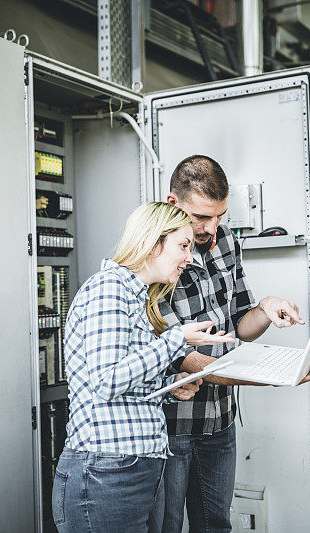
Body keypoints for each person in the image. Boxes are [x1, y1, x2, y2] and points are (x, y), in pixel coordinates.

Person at [159, 155, 310, 533]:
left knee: (216, 524)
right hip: (170, 424)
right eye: (201, 217)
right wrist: (279, 376)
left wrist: (266, 309)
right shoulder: (154, 251)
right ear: (173, 204)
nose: (211, 228)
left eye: (220, 215)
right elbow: (183, 358)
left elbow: (238, 327)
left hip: (220, 418)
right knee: (165, 526)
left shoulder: (225, 241)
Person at [52, 202, 236, 533]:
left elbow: (124, 387)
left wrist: (170, 385)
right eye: (183, 246)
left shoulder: (136, 298)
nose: (189, 258)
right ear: (153, 243)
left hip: (130, 468)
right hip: (105, 472)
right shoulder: (108, 289)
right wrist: (175, 339)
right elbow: (107, 381)